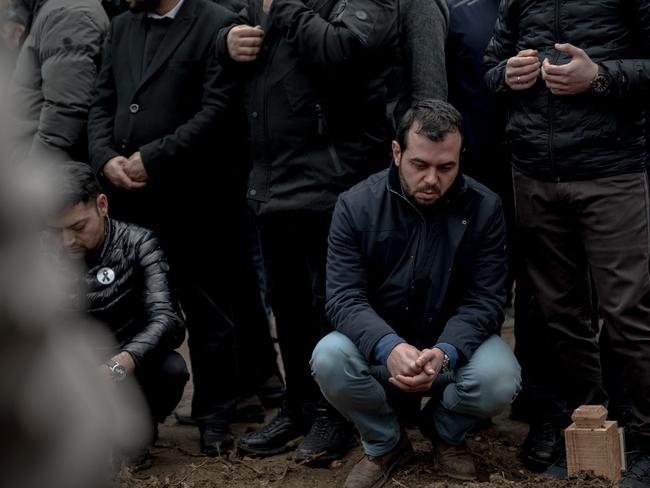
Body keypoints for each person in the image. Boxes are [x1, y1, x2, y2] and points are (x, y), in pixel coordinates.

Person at [221, 0, 398, 465]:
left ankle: (333, 414)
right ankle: (299, 408)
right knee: (287, 305)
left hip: (333, 181)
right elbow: (228, 32)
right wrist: (228, 41)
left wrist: (284, 7)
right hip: (272, 180)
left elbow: (343, 50)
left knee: (330, 306)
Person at [311, 100, 521, 487]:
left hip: (452, 346)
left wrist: (445, 352)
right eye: (419, 165)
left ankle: (444, 432)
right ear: (396, 152)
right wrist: (387, 346)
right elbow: (342, 296)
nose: (432, 180)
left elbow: (487, 300)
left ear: (460, 157)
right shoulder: (355, 205)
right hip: (379, 343)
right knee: (327, 357)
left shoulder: (485, 207)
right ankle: (385, 442)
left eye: (446, 167)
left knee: (500, 378)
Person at [483, 2, 650, 485]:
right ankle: (593, 431)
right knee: (560, 314)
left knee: (628, 310)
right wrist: (506, 75)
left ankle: (647, 439)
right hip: (534, 173)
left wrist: (598, 76)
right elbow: (491, 67)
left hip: (610, 172)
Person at [87, 0, 242, 457]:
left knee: (210, 314)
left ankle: (215, 419)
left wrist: (153, 157)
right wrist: (104, 158)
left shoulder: (216, 23)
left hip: (197, 202)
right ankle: (140, 419)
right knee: (136, 314)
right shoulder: (120, 27)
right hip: (131, 200)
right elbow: (102, 103)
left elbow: (218, 111)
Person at [45, 161, 188, 468]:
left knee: (171, 369)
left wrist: (118, 365)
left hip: (127, 369)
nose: (67, 242)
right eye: (56, 230)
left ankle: (135, 432)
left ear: (102, 205)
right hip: (70, 371)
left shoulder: (139, 243)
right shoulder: (40, 252)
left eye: (78, 227)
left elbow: (169, 321)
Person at [7, 0, 108, 162]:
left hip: (36, 169)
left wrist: (33, 175)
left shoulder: (70, 14)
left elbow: (65, 113)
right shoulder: (57, 9)